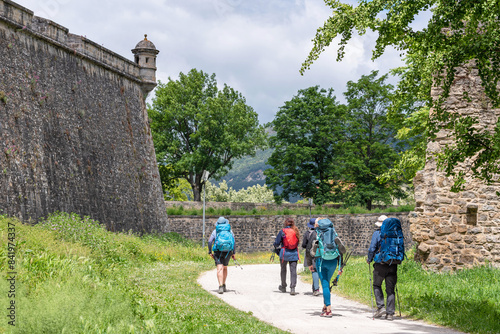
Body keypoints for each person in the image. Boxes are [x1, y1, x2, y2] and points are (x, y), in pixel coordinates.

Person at [367, 214, 397, 321]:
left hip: (380, 264)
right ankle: (390, 314)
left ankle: (381, 307)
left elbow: (372, 248)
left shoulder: (377, 233)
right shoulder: (395, 234)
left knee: (376, 285)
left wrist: (369, 259)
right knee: (390, 289)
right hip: (393, 264)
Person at [313, 217, 342, 317]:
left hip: (322, 261)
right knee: (327, 283)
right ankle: (325, 306)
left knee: (325, 285)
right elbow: (340, 248)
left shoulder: (317, 233)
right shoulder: (333, 232)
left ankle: (328, 310)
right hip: (333, 261)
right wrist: (340, 267)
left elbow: (312, 250)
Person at [208, 216, 236, 294]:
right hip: (228, 251)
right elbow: (233, 242)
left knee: (219, 268)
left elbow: (210, 241)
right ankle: (224, 285)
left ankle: (220, 286)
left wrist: (210, 251)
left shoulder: (215, 231)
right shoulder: (230, 231)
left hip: (218, 251)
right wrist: (233, 253)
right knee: (225, 268)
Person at [273, 217, 300, 295]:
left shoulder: (283, 231)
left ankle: (283, 286)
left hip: (284, 253)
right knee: (293, 271)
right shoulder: (296, 231)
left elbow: (277, 243)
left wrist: (275, 245)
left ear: (285, 223)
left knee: (283, 269)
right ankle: (292, 288)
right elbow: (297, 243)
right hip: (294, 253)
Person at [302, 218, 320, 296]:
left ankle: (316, 289)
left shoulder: (307, 233)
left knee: (314, 270)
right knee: (317, 270)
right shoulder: (320, 232)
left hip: (312, 254)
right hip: (321, 253)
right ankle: (315, 288)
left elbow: (303, 245)